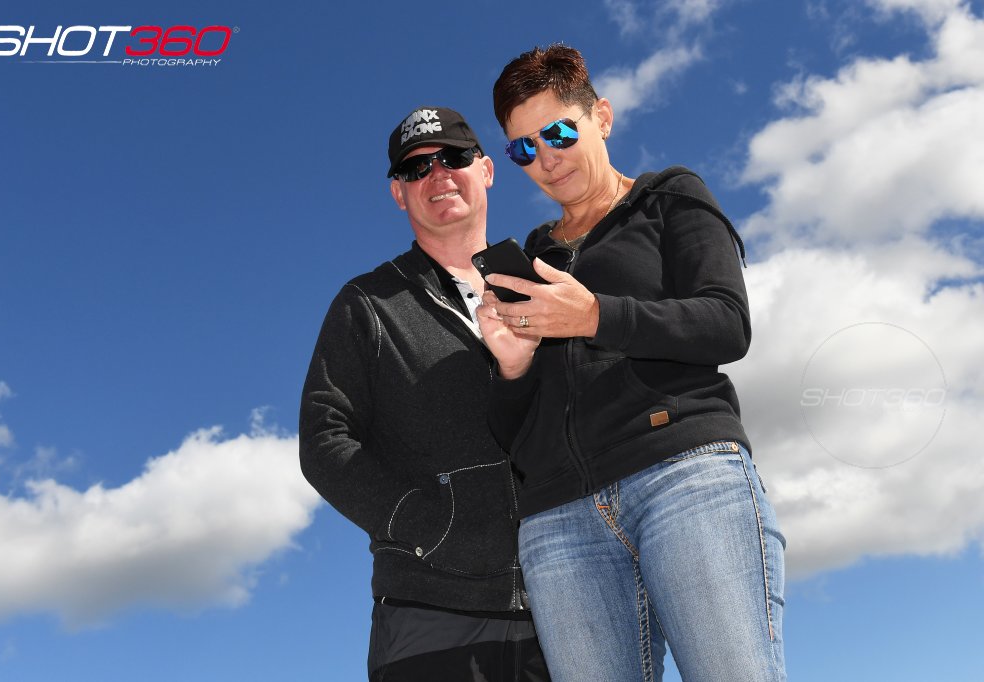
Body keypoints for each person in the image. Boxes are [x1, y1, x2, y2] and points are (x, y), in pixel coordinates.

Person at [475, 45, 787, 681]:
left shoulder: (669, 196)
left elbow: (727, 323)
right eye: (523, 148)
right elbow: (513, 431)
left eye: (559, 132)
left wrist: (596, 316)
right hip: (558, 519)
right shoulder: (534, 259)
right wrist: (511, 367)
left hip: (684, 479)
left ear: (602, 117)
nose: (546, 158)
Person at [299, 106, 550, 681]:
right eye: (416, 168)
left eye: (453, 158)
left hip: (562, 603)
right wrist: (427, 525)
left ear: (486, 170)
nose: (438, 174)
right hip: (428, 611)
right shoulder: (367, 304)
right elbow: (323, 441)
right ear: (399, 193)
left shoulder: (546, 286)